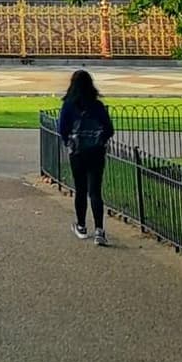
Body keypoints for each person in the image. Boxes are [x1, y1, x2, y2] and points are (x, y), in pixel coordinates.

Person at [58, 69, 115, 244]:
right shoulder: (97, 106)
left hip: (78, 152)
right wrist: (100, 141)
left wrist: (71, 142)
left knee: (80, 190)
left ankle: (81, 226)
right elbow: (109, 129)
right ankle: (99, 230)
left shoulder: (69, 105)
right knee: (95, 191)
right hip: (96, 152)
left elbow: (63, 130)